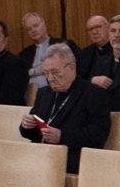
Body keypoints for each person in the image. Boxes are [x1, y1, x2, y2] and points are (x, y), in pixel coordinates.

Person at [22, 44, 111, 173]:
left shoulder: (93, 93)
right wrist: (27, 126)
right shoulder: (44, 93)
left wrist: (62, 136)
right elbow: (34, 132)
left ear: (71, 68)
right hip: (42, 156)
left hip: (73, 158)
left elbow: (99, 133)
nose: (50, 78)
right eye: (46, 73)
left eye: (55, 72)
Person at [14, 12, 63, 92]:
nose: (33, 30)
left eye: (36, 26)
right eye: (29, 29)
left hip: (55, 89)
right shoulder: (25, 53)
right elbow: (19, 73)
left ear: (44, 25)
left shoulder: (61, 45)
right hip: (31, 93)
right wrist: (35, 71)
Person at [74, 14, 112, 79]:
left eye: (98, 27)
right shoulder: (84, 54)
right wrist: (91, 80)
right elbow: (78, 79)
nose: (94, 32)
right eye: (90, 29)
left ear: (108, 27)